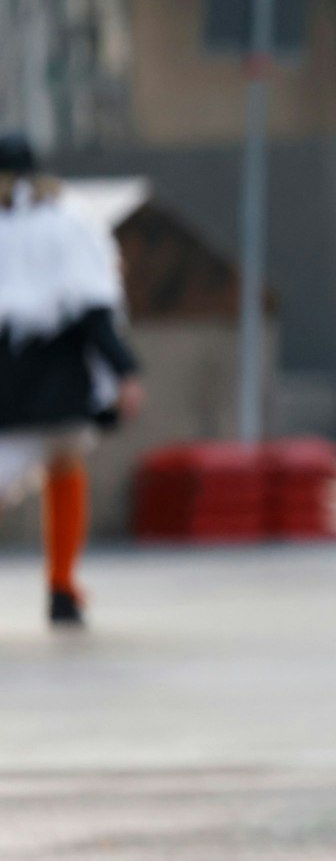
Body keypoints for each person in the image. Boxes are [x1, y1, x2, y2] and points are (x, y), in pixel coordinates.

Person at [0, 134, 144, 629]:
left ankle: (63, 584)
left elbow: (91, 310)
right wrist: (123, 370)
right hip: (56, 384)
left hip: (20, 385)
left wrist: (124, 370)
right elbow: (94, 309)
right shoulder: (69, 222)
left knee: (58, 467)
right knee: (63, 467)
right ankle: (62, 586)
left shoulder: (60, 223)